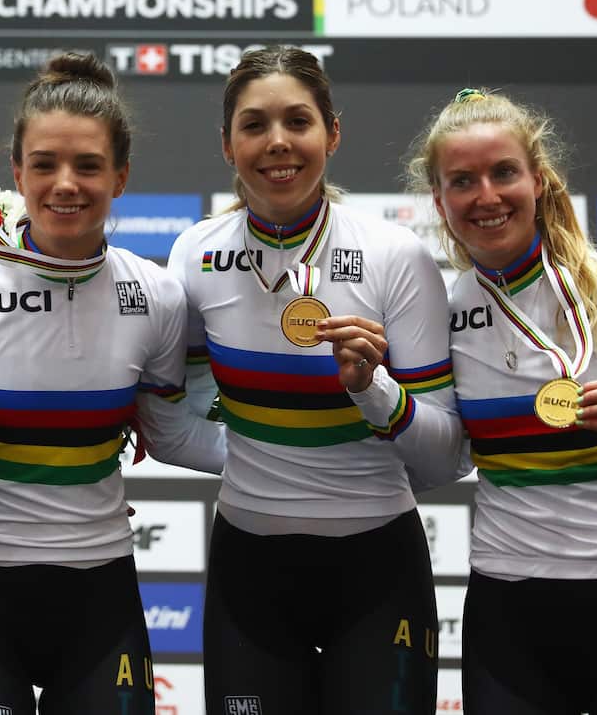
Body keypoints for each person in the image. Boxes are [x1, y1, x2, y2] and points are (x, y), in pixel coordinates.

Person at [0, 52, 225, 714]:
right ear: (17, 172)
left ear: (121, 176)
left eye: (89, 166)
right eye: (44, 164)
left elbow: (170, 433)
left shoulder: (157, 294)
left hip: (101, 594)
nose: (66, 184)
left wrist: (312, 456)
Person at [167, 46, 461, 713]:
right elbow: (177, 417)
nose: (278, 142)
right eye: (254, 124)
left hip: (378, 569)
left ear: (332, 132)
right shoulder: (194, 253)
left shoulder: (395, 255)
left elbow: (447, 456)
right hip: (249, 568)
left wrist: (372, 390)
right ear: (227, 144)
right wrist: (260, 458)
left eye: (297, 121)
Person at [407, 88, 597, 714]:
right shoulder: (444, 309)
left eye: (504, 173)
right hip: (508, 605)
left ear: (539, 180)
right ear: (439, 201)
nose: (486, 196)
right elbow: (448, 456)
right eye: (462, 181)